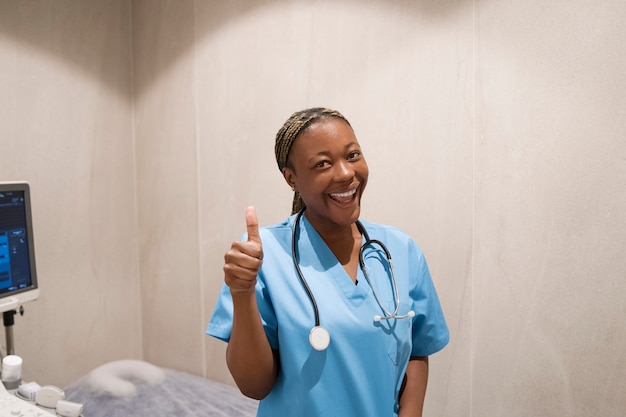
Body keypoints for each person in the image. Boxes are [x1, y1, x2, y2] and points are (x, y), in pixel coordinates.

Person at [207, 107, 449, 417]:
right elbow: (254, 386)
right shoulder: (264, 255)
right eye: (322, 164)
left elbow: (417, 349)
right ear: (291, 178)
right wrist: (242, 292)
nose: (346, 173)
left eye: (352, 155)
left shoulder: (400, 250)